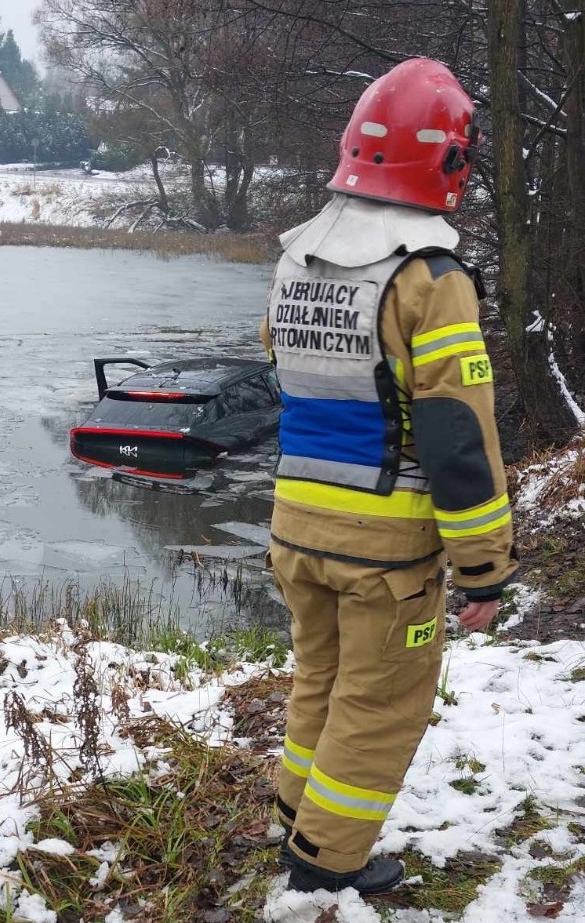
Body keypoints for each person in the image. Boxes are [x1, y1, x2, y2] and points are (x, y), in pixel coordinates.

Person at [261, 57, 518, 895]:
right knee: (380, 704)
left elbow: (281, 367)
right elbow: (456, 435)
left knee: (322, 679)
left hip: (295, 526)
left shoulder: (296, 260)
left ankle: (294, 815)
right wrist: (483, 565)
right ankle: (328, 861)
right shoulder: (430, 279)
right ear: (450, 163)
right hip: (386, 549)